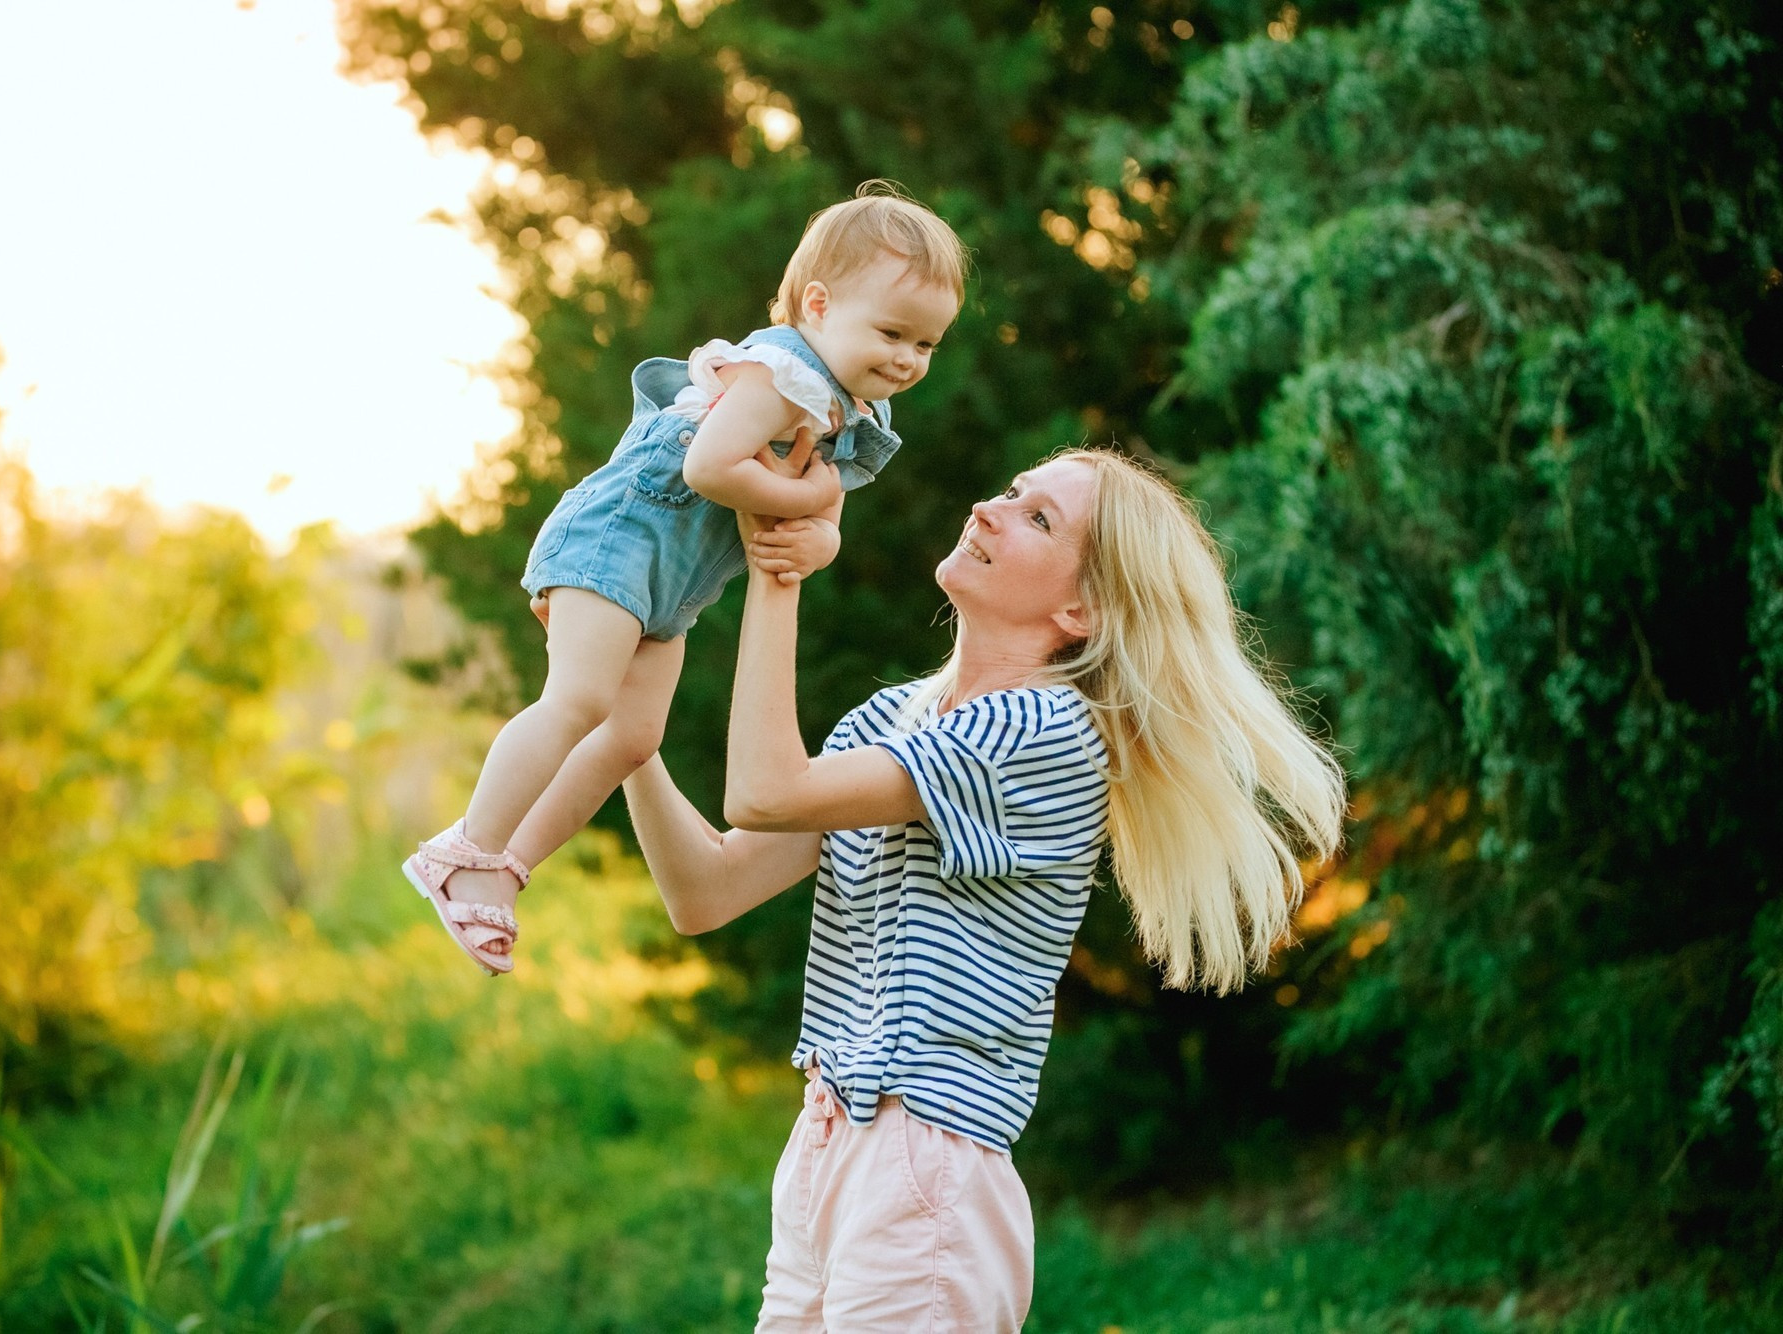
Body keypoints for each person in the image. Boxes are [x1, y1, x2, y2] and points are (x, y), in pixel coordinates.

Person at [620, 449, 1347, 1330]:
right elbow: (706, 893)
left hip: (925, 1162)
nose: (990, 508)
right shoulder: (894, 720)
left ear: (1080, 610)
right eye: (1010, 491)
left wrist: (782, 572)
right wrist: (630, 733)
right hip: (827, 1145)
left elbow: (763, 795)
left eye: (1039, 518)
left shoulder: (1040, 730)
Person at [402, 184, 969, 974]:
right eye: (893, 332)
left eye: (927, 345)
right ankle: (464, 846)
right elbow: (710, 468)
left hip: (677, 585)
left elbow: (822, 522)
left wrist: (817, 542)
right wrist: (807, 497)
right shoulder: (779, 371)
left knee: (634, 737)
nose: (908, 359)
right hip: (622, 538)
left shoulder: (850, 414)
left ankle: (507, 867)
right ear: (816, 304)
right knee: (580, 701)